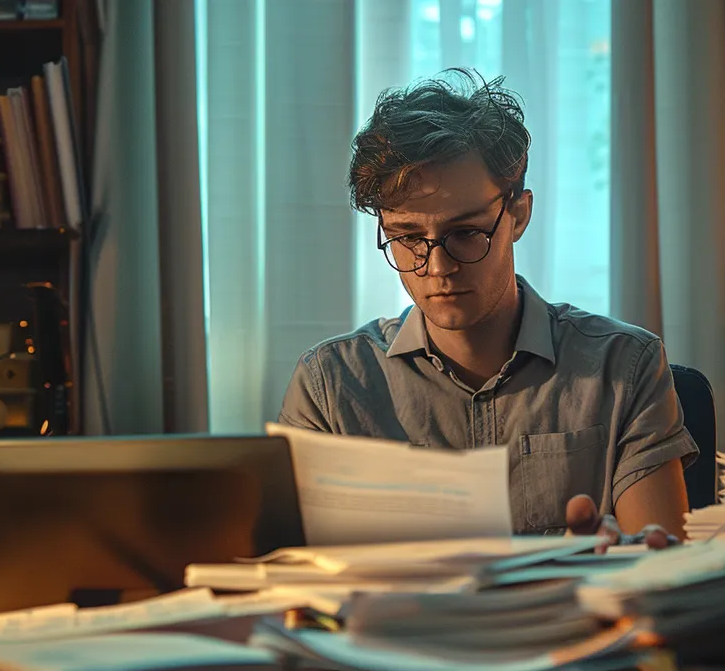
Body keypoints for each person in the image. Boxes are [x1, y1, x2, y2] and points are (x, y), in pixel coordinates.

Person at [278, 69, 696, 546]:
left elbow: (664, 575)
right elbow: (299, 588)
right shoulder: (330, 386)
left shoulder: (624, 366)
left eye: (466, 232)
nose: (437, 267)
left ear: (517, 215)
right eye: (408, 238)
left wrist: (609, 565)